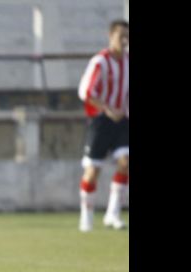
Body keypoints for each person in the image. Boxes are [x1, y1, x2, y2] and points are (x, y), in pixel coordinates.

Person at [77, 20, 129, 232]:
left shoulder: (128, 61)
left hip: (122, 121)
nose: (124, 41)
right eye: (121, 37)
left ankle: (112, 214)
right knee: (93, 171)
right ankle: (86, 215)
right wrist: (108, 109)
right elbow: (86, 92)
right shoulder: (100, 61)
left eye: (127, 37)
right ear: (111, 37)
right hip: (100, 120)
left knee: (125, 163)